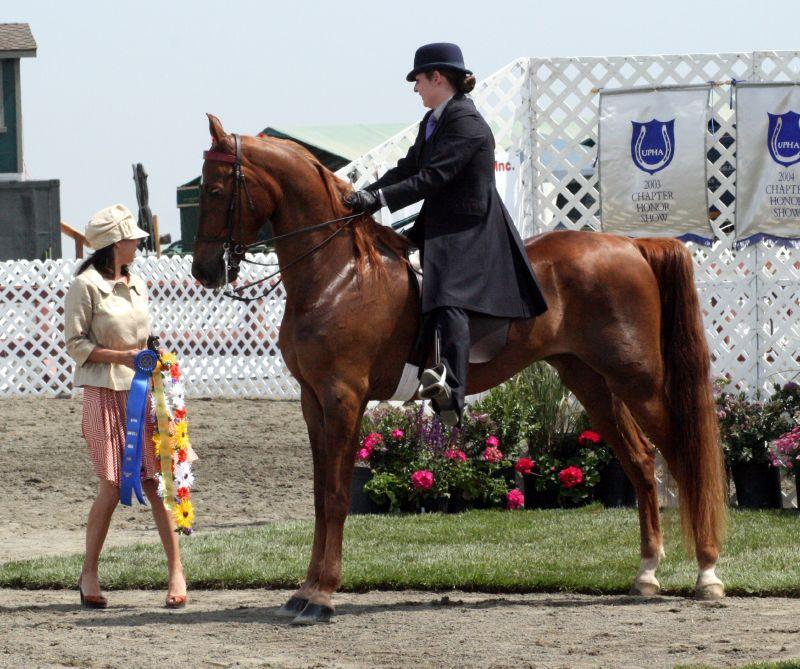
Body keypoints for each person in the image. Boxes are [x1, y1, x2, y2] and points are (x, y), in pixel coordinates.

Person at [345, 42, 548, 427]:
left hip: (471, 226)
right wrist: (363, 195)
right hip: (441, 223)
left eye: (418, 80)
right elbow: (408, 167)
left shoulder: (466, 122)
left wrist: (381, 198)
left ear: (437, 77)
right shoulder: (433, 121)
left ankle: (452, 392)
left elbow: (433, 177)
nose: (415, 88)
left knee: (447, 293)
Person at [64, 204, 187, 609]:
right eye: (133, 238)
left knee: (154, 483)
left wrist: (152, 357)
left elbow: (142, 338)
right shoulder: (85, 286)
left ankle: (176, 572)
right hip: (103, 394)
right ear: (116, 245)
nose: (138, 243)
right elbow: (75, 345)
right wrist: (121, 358)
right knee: (113, 486)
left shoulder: (138, 283)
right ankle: (89, 573)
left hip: (142, 391)